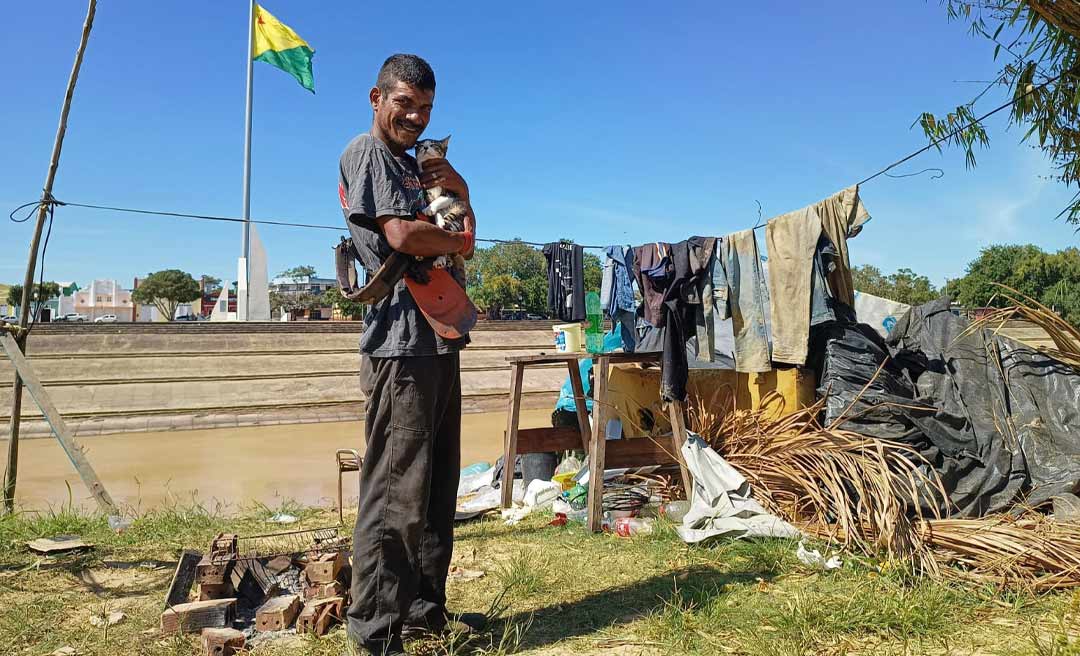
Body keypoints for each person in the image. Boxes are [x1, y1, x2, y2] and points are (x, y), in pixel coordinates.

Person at [338, 53, 478, 655]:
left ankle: (423, 611)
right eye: (405, 104)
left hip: (437, 337)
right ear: (377, 99)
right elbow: (402, 234)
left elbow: (463, 228)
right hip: (399, 345)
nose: (416, 117)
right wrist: (455, 238)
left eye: (425, 108)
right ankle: (375, 630)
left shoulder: (414, 166)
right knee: (396, 489)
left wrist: (458, 189)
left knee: (437, 485)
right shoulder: (367, 153)